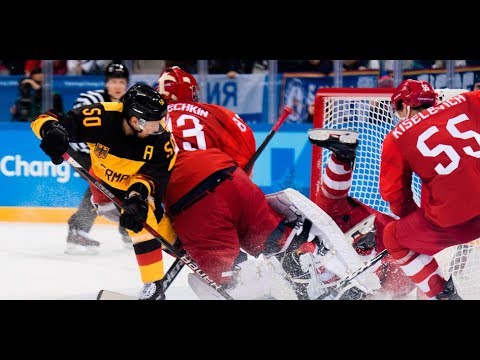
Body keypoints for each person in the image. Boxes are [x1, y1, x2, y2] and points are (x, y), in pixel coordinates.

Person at [31, 83, 177, 300]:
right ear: (136, 120)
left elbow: (155, 175)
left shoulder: (162, 140)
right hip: (103, 185)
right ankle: (179, 248)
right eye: (153, 125)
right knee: (126, 217)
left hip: (134, 185)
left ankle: (155, 282)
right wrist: (51, 131)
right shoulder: (101, 117)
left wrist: (137, 196)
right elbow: (43, 119)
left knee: (143, 219)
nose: (158, 129)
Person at [379, 78, 480, 300]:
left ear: (404, 105)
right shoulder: (468, 100)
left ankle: (442, 295)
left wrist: (413, 222)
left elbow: (394, 194)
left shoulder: (396, 137)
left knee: (393, 237)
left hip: (455, 223)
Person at [308, 129, 415, 299]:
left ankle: (343, 155)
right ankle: (343, 156)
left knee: (328, 207)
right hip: (385, 238)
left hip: (374, 237)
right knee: (328, 206)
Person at [65, 62, 132, 255]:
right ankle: (78, 230)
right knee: (100, 181)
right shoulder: (91, 98)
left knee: (121, 183)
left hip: (104, 155)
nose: (117, 86)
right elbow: (76, 126)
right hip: (81, 151)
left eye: (121, 81)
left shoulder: (128, 105)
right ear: (106, 83)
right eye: (113, 81)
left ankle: (127, 230)